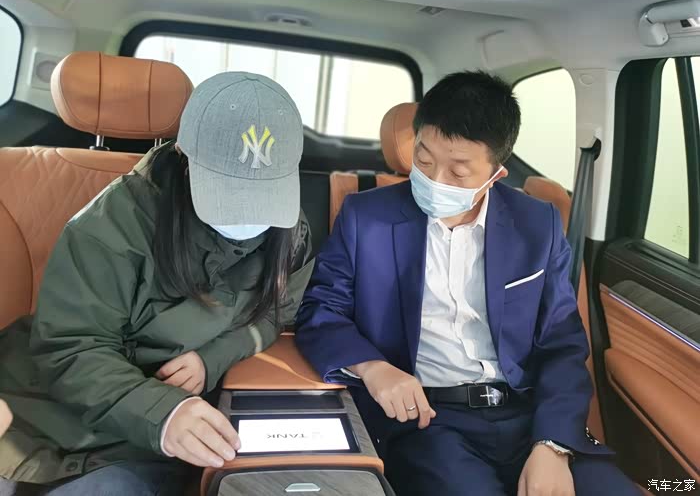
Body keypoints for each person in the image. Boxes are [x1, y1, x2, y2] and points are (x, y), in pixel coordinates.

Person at [295, 71, 640, 496]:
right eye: (424, 160)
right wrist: (373, 368)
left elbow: (562, 343)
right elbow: (320, 310)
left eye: (458, 172)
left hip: (530, 417)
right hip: (428, 421)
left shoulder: (537, 225)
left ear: (496, 173)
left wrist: (552, 444)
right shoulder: (365, 217)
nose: (435, 180)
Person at [0, 72, 314, 496]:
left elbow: (279, 309)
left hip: (153, 443)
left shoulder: (290, 229)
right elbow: (72, 347)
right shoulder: (112, 223)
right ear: (184, 155)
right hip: (49, 413)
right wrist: (163, 414)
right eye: (226, 191)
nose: (246, 215)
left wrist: (212, 358)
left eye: (262, 194)